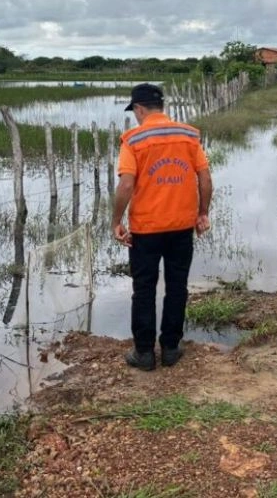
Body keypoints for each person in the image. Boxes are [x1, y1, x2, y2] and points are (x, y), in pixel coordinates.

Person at [112, 83, 213, 371]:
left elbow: (126, 184)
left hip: (145, 229)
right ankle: (170, 347)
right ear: (162, 107)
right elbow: (204, 179)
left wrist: (116, 221)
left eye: (135, 111)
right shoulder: (188, 135)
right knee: (177, 286)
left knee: (143, 289)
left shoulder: (133, 140)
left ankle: (144, 353)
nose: (135, 116)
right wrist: (202, 212)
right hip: (182, 226)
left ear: (140, 109)